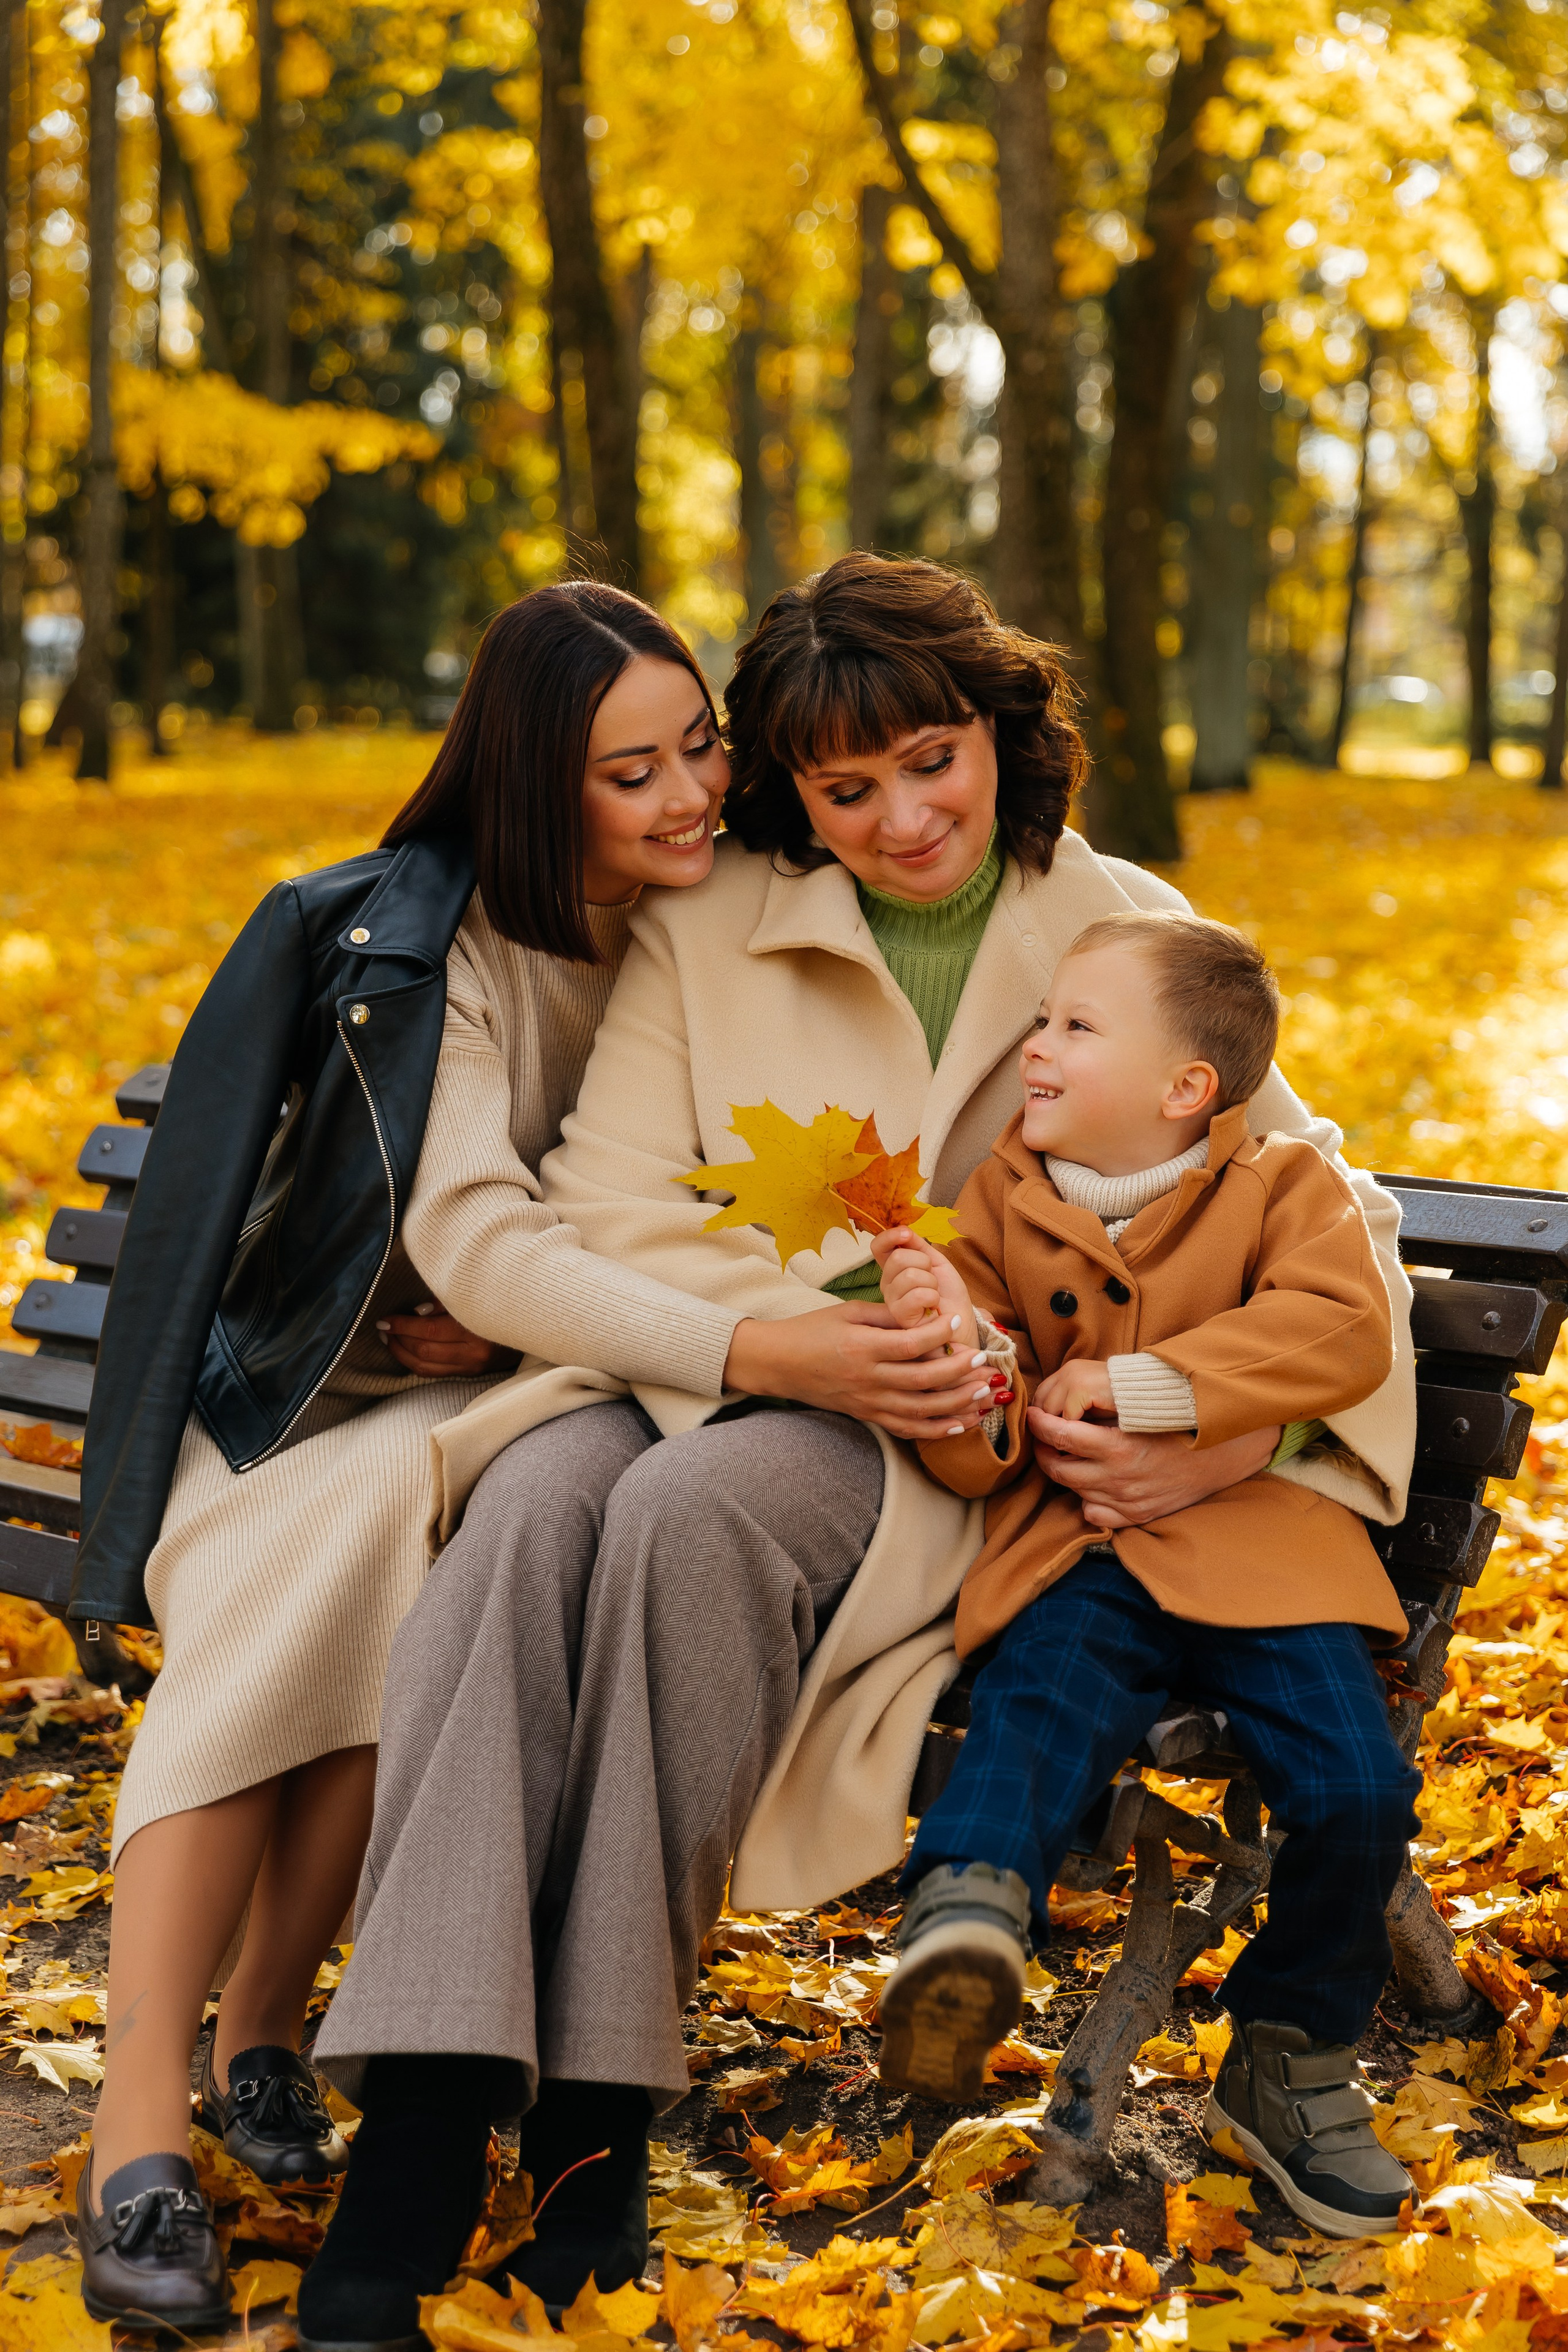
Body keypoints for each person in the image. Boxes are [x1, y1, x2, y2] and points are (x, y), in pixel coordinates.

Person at [301, 554, 1417, 2350]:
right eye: (846, 788)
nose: (902, 819)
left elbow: (1319, 1213)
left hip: (957, 1456)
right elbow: (593, 1211)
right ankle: (425, 2113)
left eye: (935, 761)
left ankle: (595, 2127)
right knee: (521, 1509)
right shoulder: (711, 919)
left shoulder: (1114, 920)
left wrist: (1236, 1428)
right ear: (789, 791)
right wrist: (796, 1336)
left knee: (678, 1519)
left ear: (999, 733)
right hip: (720, 1374)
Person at [70, 581, 780, 2333]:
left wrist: (533, 1326)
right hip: (309, 1406)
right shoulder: (434, 943)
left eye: (700, 745)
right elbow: (452, 1231)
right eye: (634, 773)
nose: (690, 794)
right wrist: (482, 1313)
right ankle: (138, 2116)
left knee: (440, 1530)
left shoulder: (737, 925)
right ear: (541, 789)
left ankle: (261, 2037)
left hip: (507, 1403)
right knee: (347, 1540)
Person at [867, 907, 1420, 2236]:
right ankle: (964, 1925)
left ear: (1185, 1087)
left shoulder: (1285, 1186)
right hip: (1086, 1545)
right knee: (1039, 1700)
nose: (1035, 1044)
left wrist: (1147, 1385)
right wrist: (963, 1369)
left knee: (1356, 1785)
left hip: (1263, 1555)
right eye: (1040, 1017)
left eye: (1071, 1024)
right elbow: (976, 1453)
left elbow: (1336, 1329)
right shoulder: (999, 1202)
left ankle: (1288, 2051)